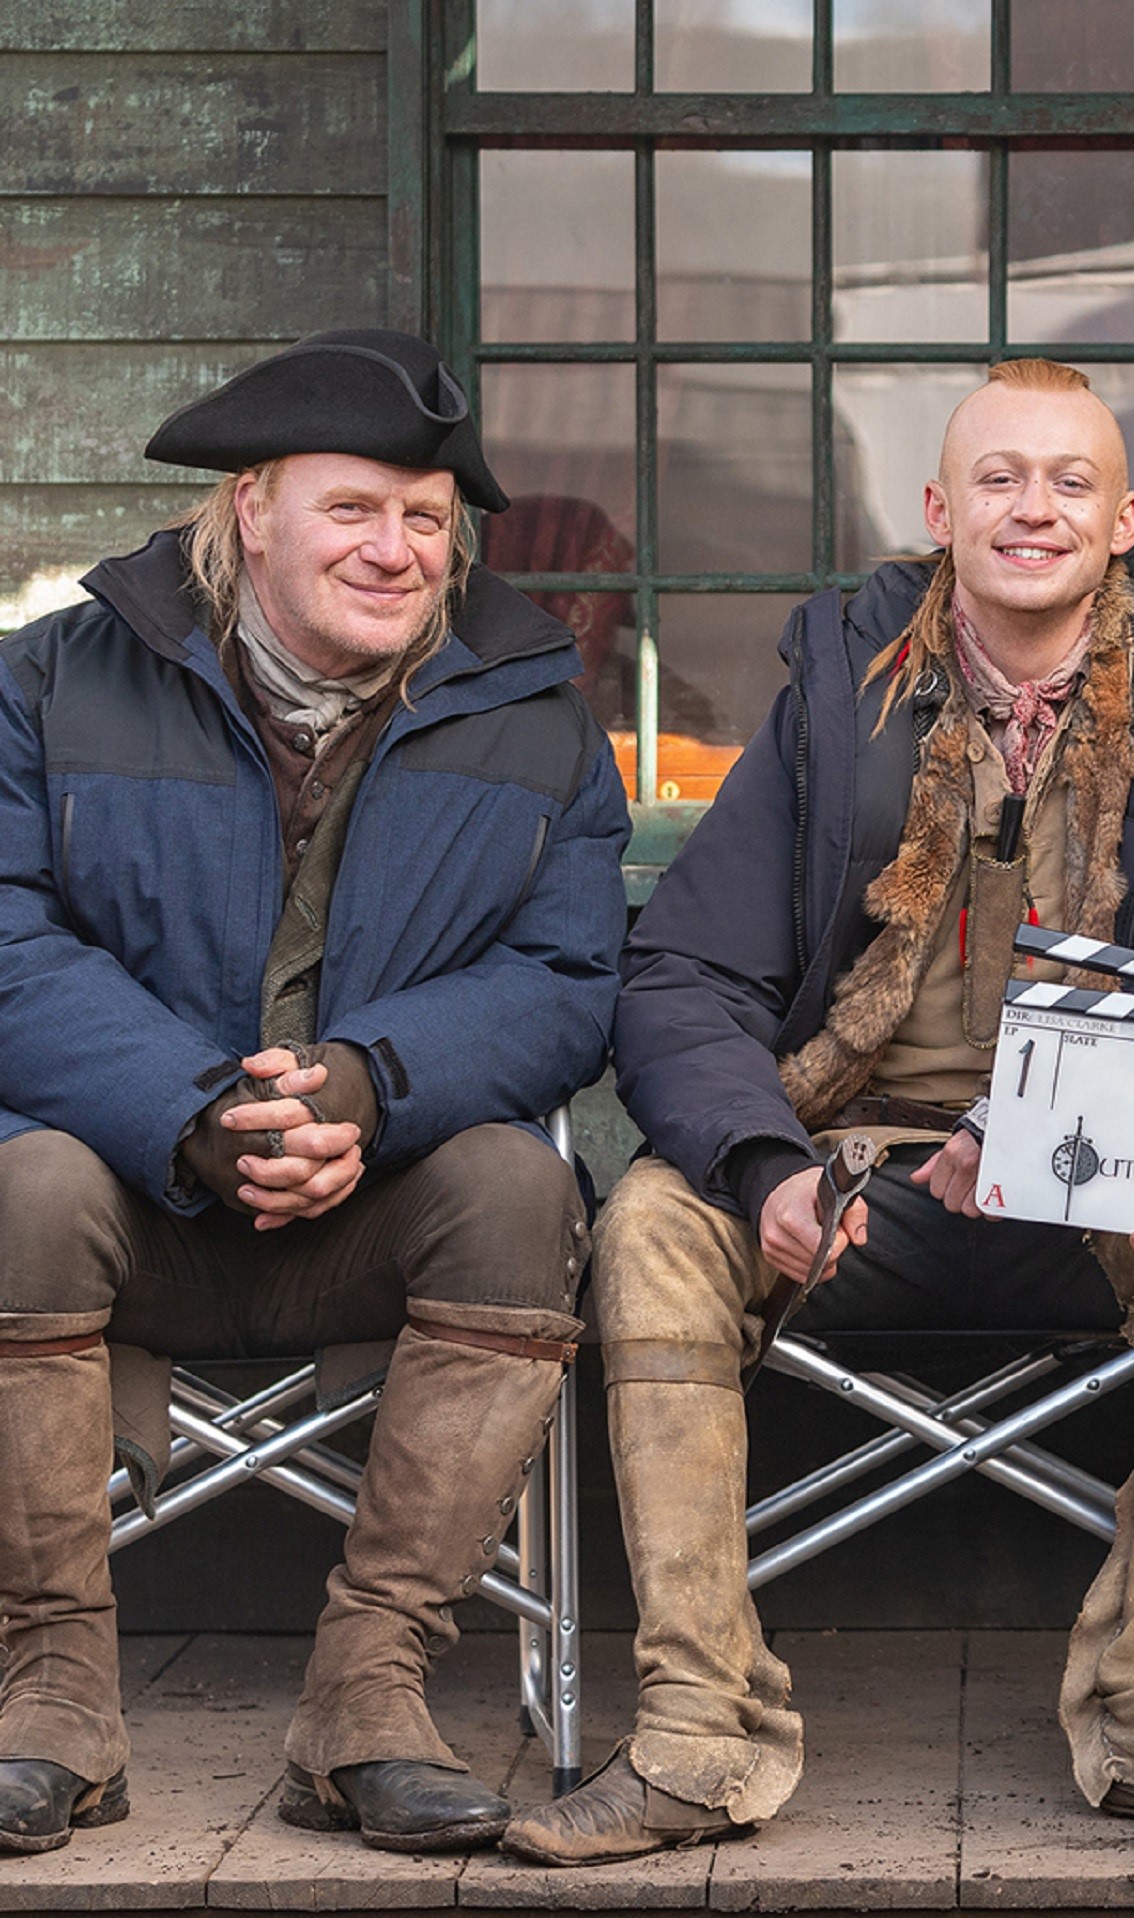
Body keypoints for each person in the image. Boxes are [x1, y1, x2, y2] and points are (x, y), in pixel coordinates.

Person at [503, 358, 1134, 1865]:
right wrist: (762, 1162)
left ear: (1125, 516)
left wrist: (1112, 1135)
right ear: (943, 512)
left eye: (1070, 480)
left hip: (1100, 1190)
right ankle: (697, 1735)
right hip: (858, 1172)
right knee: (649, 1222)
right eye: (1000, 480)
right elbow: (684, 967)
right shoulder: (839, 696)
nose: (1035, 507)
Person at [0, 330, 630, 1857]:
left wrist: (365, 1085)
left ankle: (369, 1691)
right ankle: (54, 1694)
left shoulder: (535, 706)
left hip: (376, 1195)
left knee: (521, 1185)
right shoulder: (52, 678)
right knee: (17, 1187)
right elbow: (4, 931)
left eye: (428, 520)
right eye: (356, 509)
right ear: (253, 507)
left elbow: (568, 978)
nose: (398, 548)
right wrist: (196, 1111)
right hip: (128, 1193)